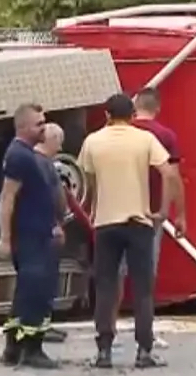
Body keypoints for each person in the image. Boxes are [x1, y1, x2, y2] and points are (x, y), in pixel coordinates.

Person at [80, 93, 180, 369]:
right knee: (143, 289)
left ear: (107, 115)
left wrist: (93, 209)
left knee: (106, 286)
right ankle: (144, 351)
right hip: (139, 222)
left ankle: (104, 351)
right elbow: (169, 174)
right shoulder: (145, 140)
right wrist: (161, 210)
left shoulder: (93, 141)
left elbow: (89, 179)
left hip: (106, 223)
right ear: (132, 114)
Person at [107, 87, 185, 350]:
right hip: (148, 213)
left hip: (114, 210)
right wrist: (172, 212)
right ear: (158, 107)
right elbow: (172, 177)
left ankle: (110, 327)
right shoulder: (164, 136)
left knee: (114, 273)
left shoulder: (112, 135)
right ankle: (146, 334)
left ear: (134, 106)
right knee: (145, 275)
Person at [0, 103, 62, 369]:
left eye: (44, 122)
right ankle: (32, 349)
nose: (43, 127)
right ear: (23, 127)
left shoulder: (25, 154)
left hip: (36, 234)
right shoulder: (19, 156)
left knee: (25, 294)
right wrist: (5, 237)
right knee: (36, 293)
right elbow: (7, 197)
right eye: (38, 124)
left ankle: (12, 348)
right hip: (31, 237)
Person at [34, 123, 70, 344]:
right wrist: (56, 223)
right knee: (45, 279)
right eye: (59, 141)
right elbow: (50, 197)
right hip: (46, 230)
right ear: (52, 140)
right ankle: (41, 325)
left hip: (43, 228)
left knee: (45, 278)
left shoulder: (39, 162)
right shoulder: (43, 165)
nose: (61, 146)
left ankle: (43, 323)